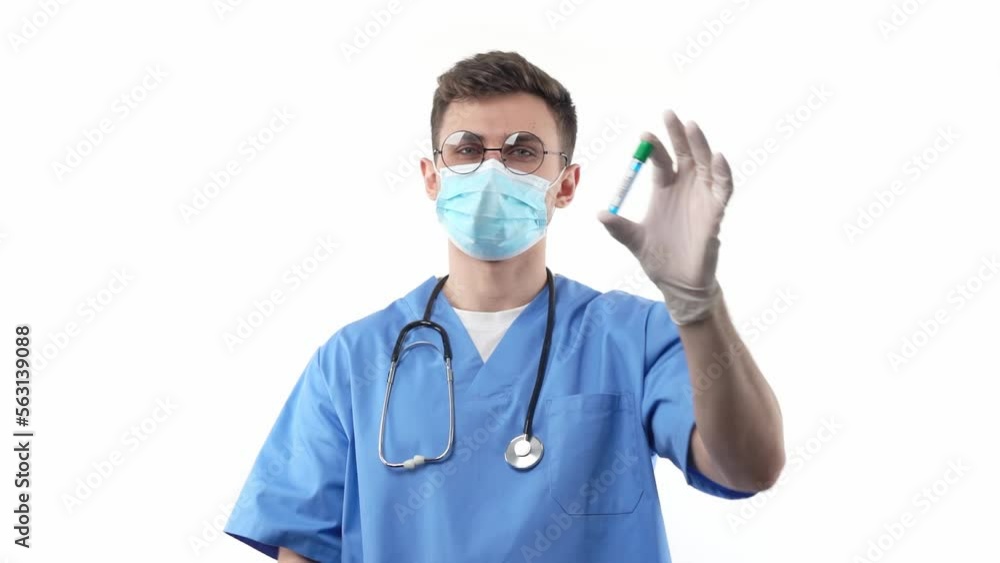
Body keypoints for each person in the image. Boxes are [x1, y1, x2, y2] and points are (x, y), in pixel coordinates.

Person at [224, 50, 785, 563]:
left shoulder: (634, 336)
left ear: (566, 184)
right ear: (432, 177)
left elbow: (750, 467)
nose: (492, 170)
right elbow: (303, 547)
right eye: (467, 149)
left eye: (522, 151)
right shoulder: (352, 360)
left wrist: (697, 303)